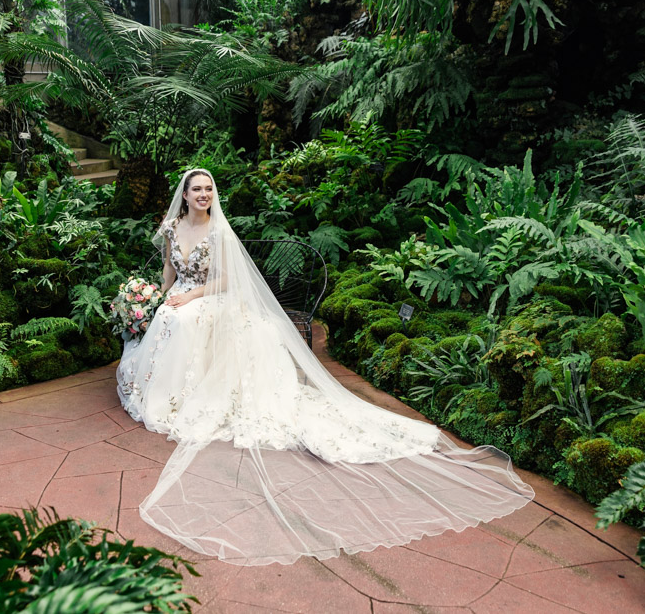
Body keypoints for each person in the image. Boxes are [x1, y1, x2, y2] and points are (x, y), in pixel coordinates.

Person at [116, 168, 534, 567]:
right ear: (184, 196)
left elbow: (228, 281)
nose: (204, 195)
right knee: (167, 317)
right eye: (197, 190)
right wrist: (155, 296)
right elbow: (169, 271)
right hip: (183, 296)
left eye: (209, 189)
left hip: (214, 299)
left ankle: (197, 390)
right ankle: (167, 390)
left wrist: (191, 298)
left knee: (184, 318)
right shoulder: (172, 228)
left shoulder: (220, 231)